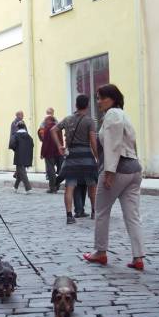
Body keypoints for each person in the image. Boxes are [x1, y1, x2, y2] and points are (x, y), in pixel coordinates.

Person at [83, 84, 144, 270]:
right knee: (132, 215)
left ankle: (100, 252)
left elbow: (112, 145)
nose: (99, 102)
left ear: (113, 98)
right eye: (98, 98)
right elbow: (131, 144)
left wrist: (109, 172)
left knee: (101, 212)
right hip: (134, 169)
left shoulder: (112, 115)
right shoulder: (124, 115)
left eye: (102, 98)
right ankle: (138, 256)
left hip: (117, 170)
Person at [51, 94, 98, 224]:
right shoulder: (90, 121)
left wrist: (59, 145)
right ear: (87, 105)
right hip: (86, 157)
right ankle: (94, 212)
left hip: (71, 157)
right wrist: (98, 158)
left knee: (70, 187)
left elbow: (53, 130)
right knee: (92, 185)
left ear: (76, 105)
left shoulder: (68, 119)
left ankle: (69, 215)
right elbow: (93, 142)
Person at [9, 121, 34, 193]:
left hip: (19, 156)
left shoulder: (15, 135)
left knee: (22, 172)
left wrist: (16, 149)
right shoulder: (29, 136)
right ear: (24, 127)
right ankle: (15, 187)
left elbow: (12, 145)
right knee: (20, 172)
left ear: (17, 127)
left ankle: (28, 188)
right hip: (28, 156)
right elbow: (32, 145)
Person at [40, 115, 62, 193]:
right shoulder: (58, 128)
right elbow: (61, 140)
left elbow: (45, 142)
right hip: (58, 152)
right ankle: (57, 185)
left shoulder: (47, 129)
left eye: (46, 120)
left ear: (49, 120)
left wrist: (42, 153)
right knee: (59, 170)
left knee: (51, 170)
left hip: (49, 153)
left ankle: (53, 187)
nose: (45, 122)